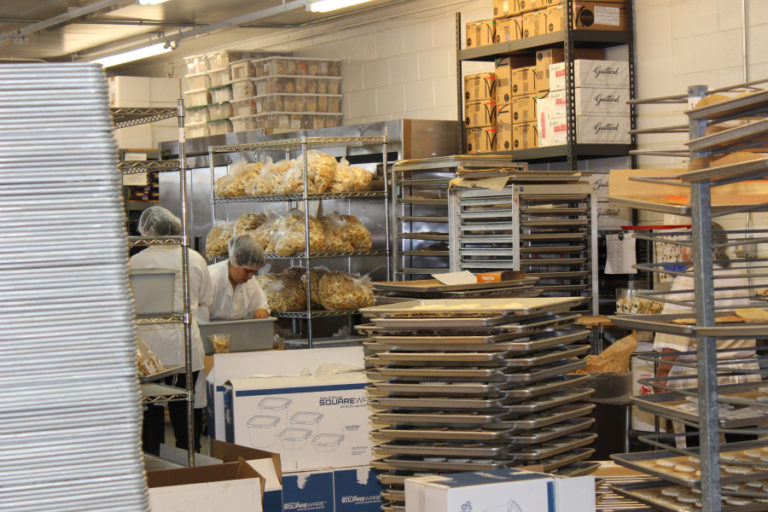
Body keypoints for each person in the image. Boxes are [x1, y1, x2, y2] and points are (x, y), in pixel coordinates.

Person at [654, 222, 759, 446]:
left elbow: (675, 335)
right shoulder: (738, 276)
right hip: (743, 373)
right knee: (742, 443)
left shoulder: (689, 280)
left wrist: (662, 375)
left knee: (699, 444)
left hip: (702, 376)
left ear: (694, 248)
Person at [129, 206, 211, 454]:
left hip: (148, 352)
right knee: (185, 409)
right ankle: (190, 464)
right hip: (184, 345)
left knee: (151, 408)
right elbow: (206, 298)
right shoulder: (194, 259)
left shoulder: (136, 261)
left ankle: (154, 461)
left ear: (147, 231)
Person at [204, 232, 269, 321]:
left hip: (240, 332)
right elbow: (199, 314)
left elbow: (261, 305)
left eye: (254, 272)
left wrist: (261, 311)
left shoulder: (250, 282)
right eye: (247, 271)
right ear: (234, 262)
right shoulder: (211, 277)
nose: (250, 276)